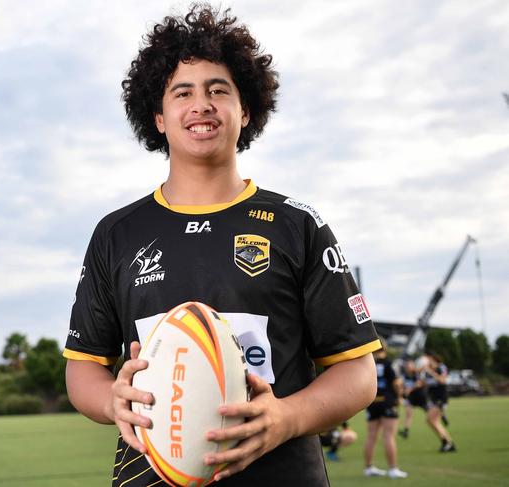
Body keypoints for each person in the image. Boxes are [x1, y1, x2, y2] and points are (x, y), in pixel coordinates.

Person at [63, 5, 381, 486]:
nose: (201, 104)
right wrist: (112, 400)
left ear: (246, 109)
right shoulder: (117, 233)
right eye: (182, 92)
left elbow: (358, 373)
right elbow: (84, 371)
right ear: (159, 117)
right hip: (148, 475)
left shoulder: (296, 224)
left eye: (219, 90)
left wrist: (287, 418)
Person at [363, 344, 408, 479]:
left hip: (372, 402)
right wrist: (400, 397)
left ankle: (369, 467)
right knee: (389, 436)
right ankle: (393, 469)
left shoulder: (367, 364)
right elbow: (397, 383)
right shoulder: (389, 363)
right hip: (387, 402)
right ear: (385, 348)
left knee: (371, 436)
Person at [422, 352, 456, 452]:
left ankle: (447, 442)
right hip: (433, 399)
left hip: (441, 399)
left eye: (428, 359)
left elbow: (442, 380)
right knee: (432, 421)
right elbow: (426, 383)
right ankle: (448, 443)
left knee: (431, 420)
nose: (426, 362)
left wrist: (431, 372)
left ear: (433, 358)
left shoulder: (441, 367)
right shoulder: (428, 370)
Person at [398, 358, 426, 439]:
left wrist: (410, 389)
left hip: (420, 396)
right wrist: (400, 394)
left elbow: (420, 383)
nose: (408, 367)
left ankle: (441, 416)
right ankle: (406, 431)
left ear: (413, 366)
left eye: (410, 365)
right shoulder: (405, 375)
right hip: (411, 398)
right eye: (407, 365)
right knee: (408, 414)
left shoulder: (416, 373)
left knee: (429, 412)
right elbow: (402, 385)